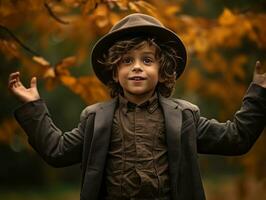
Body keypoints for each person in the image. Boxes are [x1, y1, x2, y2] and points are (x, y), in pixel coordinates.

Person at [8, 13, 266, 200]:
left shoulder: (185, 116)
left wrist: (259, 94)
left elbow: (236, 139)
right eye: (127, 61)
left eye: (147, 60)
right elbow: (57, 151)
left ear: (162, 70)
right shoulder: (95, 117)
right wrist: (34, 108)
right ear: (114, 72)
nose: (137, 67)